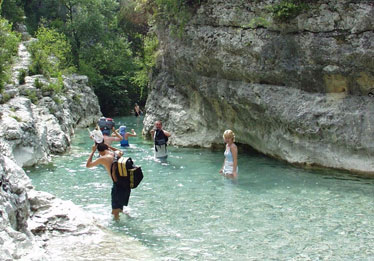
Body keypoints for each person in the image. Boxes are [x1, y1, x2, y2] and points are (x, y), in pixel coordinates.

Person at [86, 142, 130, 220]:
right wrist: (110, 147)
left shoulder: (103, 158)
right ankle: (127, 216)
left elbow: (88, 165)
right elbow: (121, 151)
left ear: (100, 152)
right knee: (120, 205)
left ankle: (117, 227)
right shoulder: (116, 153)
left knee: (115, 211)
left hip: (117, 185)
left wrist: (92, 151)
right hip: (126, 183)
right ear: (107, 148)